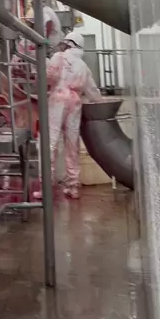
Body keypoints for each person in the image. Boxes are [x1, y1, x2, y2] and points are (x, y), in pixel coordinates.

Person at [39, 29, 101, 199]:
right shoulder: (83, 65)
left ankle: (46, 187)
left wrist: (42, 66)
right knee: (72, 144)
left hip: (57, 101)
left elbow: (49, 78)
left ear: (67, 44)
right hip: (75, 104)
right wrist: (100, 103)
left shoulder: (58, 57)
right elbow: (92, 90)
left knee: (50, 143)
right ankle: (73, 187)